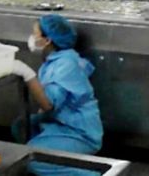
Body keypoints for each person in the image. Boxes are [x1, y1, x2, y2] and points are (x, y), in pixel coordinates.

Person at [12, 14, 102, 176]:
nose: (32, 38)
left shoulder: (66, 64)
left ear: (47, 40)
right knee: (20, 126)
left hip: (79, 132)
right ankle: (57, 159)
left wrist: (27, 74)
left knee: (33, 159)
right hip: (60, 121)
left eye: (35, 34)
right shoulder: (57, 59)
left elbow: (48, 104)